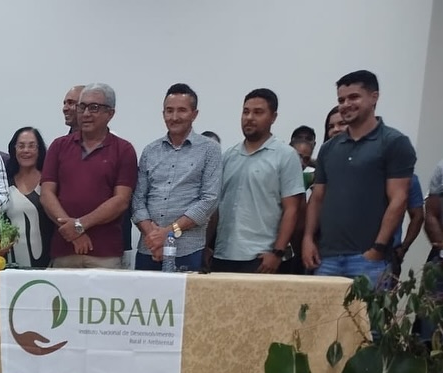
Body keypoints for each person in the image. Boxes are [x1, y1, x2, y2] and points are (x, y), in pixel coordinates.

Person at [302, 70, 416, 285]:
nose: (346, 104)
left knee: (366, 320)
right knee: (322, 319)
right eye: (341, 100)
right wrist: (308, 239)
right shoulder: (328, 149)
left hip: (369, 260)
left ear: (374, 97)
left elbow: (399, 199)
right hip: (327, 259)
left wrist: (377, 249)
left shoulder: (394, 142)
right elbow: (317, 198)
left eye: (353, 97)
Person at [41, 83, 137, 269]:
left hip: (105, 254)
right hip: (64, 250)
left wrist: (79, 225)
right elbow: (46, 195)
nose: (85, 114)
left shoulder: (124, 150)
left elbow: (121, 200)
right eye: (82, 107)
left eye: (94, 108)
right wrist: (74, 232)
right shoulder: (58, 146)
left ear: (110, 113)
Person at [209, 89, 304, 273]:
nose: (249, 117)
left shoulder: (285, 155)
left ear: (273, 117)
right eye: (245, 112)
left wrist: (277, 252)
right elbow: (216, 207)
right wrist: (207, 246)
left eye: (258, 112)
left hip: (261, 258)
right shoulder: (229, 155)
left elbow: (292, 209)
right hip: (223, 256)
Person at [132, 83, 222, 271]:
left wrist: (167, 233)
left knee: (184, 301)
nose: (174, 117)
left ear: (194, 114)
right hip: (149, 249)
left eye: (181, 110)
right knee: (145, 301)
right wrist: (154, 237)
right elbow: (138, 199)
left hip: (187, 250)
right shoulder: (150, 151)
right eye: (169, 111)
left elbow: (209, 200)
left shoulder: (209, 150)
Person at [4, 127, 53, 268]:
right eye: (21, 146)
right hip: (10, 263)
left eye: (32, 146)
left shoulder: (49, 182)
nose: (26, 150)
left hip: (46, 263)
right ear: (14, 149)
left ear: (39, 150)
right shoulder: (4, 183)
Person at [390, 174, 425, 277]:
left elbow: (418, 217)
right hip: (351, 247)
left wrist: (403, 248)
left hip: (390, 253)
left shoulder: (408, 178)